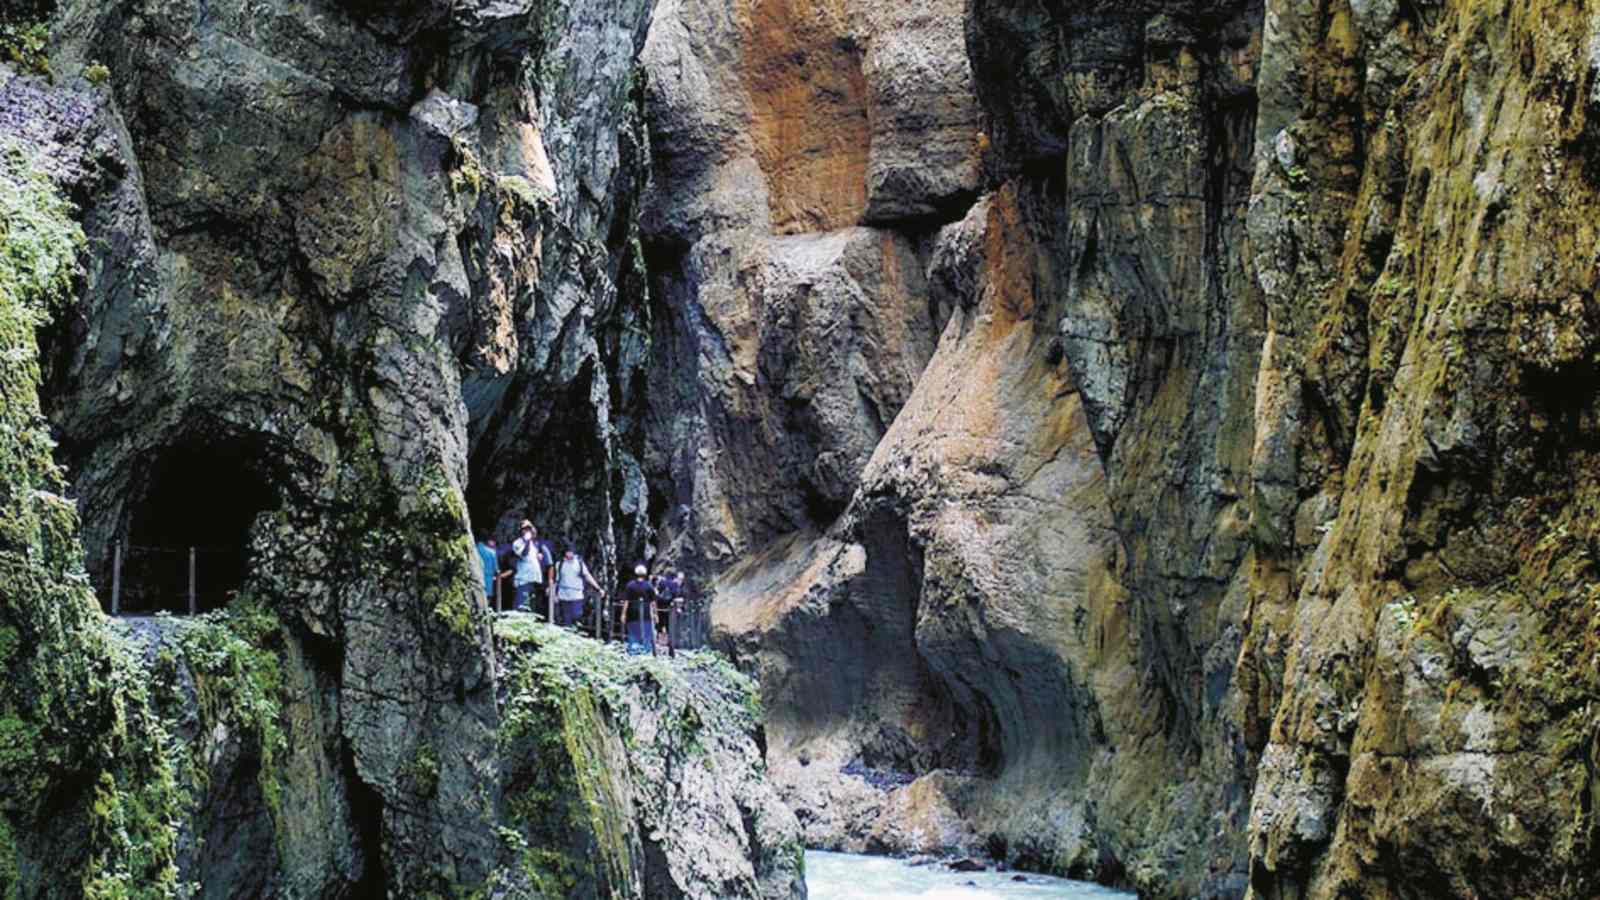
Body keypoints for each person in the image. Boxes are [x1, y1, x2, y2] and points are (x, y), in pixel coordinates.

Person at [553, 542, 601, 627]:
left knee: (577, 615)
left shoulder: (579, 563)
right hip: (563, 595)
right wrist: (554, 594)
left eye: (571, 552)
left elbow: (587, 575)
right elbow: (557, 580)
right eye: (568, 552)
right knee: (566, 619)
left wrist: (597, 588)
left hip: (576, 594)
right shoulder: (559, 564)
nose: (570, 554)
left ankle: (576, 632)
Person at [510, 520, 551, 613]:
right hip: (523, 579)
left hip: (535, 579)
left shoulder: (534, 544)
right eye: (525, 529)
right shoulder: (517, 543)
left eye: (529, 529)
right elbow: (524, 554)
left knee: (532, 606)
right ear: (521, 531)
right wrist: (527, 541)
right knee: (521, 605)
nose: (527, 531)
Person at [622, 564, 657, 655]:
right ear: (645, 574)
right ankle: (646, 652)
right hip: (646, 614)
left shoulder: (630, 586)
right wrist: (655, 614)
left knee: (633, 633)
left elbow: (626, 601)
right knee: (646, 633)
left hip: (632, 613)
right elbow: (653, 602)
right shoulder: (649, 586)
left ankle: (633, 652)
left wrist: (623, 614)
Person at [475, 534, 499, 607]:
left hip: (477, 574)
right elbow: (496, 568)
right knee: (488, 594)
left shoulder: (477, 548)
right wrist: (498, 572)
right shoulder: (492, 552)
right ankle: (486, 609)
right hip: (488, 576)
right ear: (490, 541)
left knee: (478, 592)